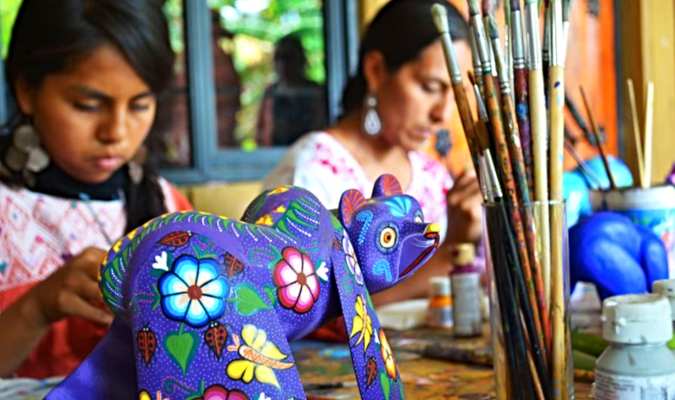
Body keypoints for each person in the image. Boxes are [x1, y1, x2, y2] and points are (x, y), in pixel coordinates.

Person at [0, 0, 191, 378]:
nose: (116, 133)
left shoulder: (166, 203)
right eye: (87, 105)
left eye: (139, 105)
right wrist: (36, 308)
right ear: (26, 91)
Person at [264, 0, 481, 305]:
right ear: (376, 71)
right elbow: (312, 309)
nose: (443, 114)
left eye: (456, 94)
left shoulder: (432, 175)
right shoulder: (312, 173)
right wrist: (451, 251)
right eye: (431, 87)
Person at [256, 33, 326, 147]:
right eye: (278, 57)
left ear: (301, 59)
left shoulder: (315, 92)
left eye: (289, 57)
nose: (283, 64)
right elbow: (261, 132)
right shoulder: (271, 93)